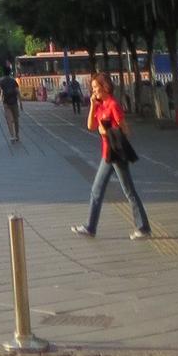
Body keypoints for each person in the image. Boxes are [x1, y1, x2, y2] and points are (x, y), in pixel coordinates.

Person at [72, 73, 151, 239]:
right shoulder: (100, 105)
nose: (94, 90)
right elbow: (90, 126)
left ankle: (143, 227)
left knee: (128, 190)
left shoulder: (113, 105)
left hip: (117, 153)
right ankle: (90, 227)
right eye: (92, 88)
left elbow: (125, 130)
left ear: (105, 87)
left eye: (96, 87)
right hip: (107, 154)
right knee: (96, 190)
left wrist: (107, 131)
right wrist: (92, 105)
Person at [0, 70, 22, 143]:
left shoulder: (1, 81)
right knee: (16, 119)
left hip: (6, 102)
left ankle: (12, 136)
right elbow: (17, 91)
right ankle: (17, 135)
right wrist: (20, 102)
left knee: (9, 120)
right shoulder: (13, 81)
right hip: (14, 101)